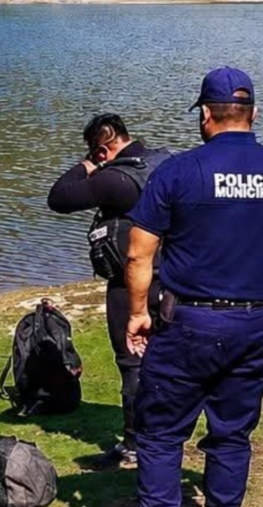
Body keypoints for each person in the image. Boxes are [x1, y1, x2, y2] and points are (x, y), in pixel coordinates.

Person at [124, 67, 263, 507]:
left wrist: (137, 313)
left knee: (160, 432)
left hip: (188, 323)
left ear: (205, 117)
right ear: (253, 114)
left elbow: (139, 254)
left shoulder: (177, 171)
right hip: (258, 323)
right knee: (232, 434)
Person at [48, 113, 171, 468]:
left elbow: (59, 197)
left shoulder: (116, 178)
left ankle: (134, 447)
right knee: (169, 359)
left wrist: (89, 164)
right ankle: (167, 433)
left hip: (133, 281)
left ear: (104, 148)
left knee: (132, 361)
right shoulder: (168, 162)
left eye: (94, 152)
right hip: (177, 278)